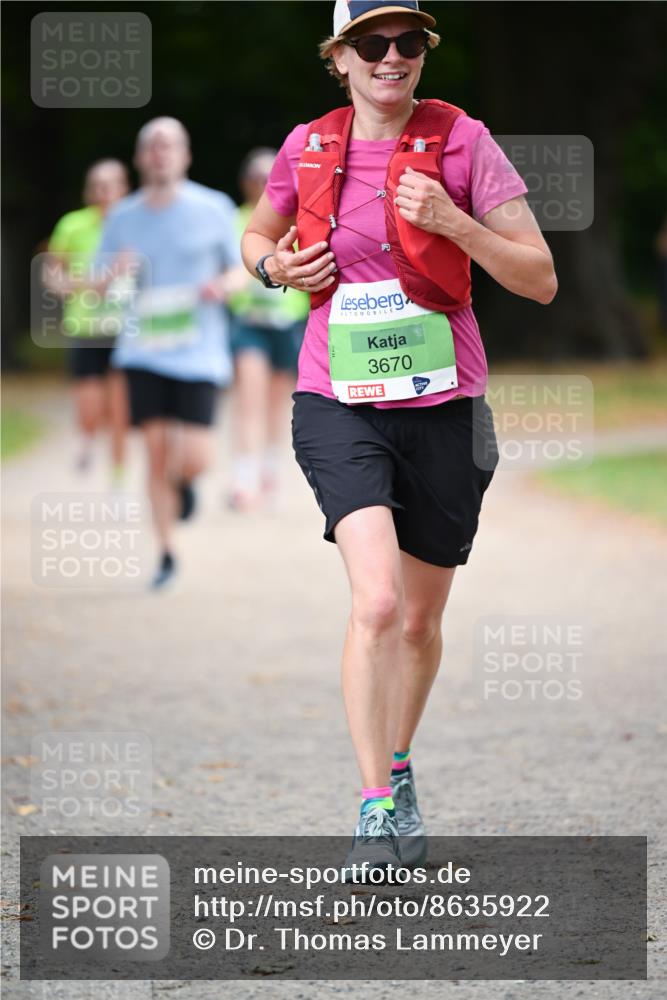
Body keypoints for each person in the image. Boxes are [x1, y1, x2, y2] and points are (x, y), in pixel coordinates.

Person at [242, 0, 557, 879]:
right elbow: (258, 232)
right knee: (375, 602)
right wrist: (270, 267)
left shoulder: (464, 142)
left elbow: (538, 279)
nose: (392, 57)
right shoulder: (309, 143)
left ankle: (400, 763)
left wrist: (456, 223)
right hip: (334, 399)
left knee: (418, 620)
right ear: (338, 57)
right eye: (371, 44)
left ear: (423, 53)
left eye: (408, 42)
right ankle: (374, 807)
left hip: (444, 405)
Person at [98, 117, 246, 589]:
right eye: (152, 146)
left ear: (185, 155)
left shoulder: (215, 207)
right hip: (142, 350)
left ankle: (185, 484)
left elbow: (241, 269)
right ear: (141, 157)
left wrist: (223, 285)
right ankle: (165, 553)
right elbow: (98, 285)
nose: (160, 153)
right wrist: (112, 274)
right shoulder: (122, 216)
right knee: (156, 452)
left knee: (196, 457)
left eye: (170, 145)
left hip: (199, 351)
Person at [227, 149, 309, 511]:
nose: (263, 186)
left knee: (277, 404)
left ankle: (269, 472)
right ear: (246, 184)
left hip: (288, 324)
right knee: (249, 401)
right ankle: (244, 481)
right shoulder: (237, 220)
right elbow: (228, 264)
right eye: (256, 179)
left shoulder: (300, 218)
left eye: (269, 179)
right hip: (250, 324)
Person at [46, 159, 130, 481]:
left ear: (124, 188)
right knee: (90, 405)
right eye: (96, 185)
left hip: (124, 327)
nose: (103, 192)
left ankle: (118, 474)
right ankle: (87, 437)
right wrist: (65, 285)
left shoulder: (136, 223)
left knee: (120, 406)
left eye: (110, 185)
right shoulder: (72, 225)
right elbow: (53, 269)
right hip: (86, 325)